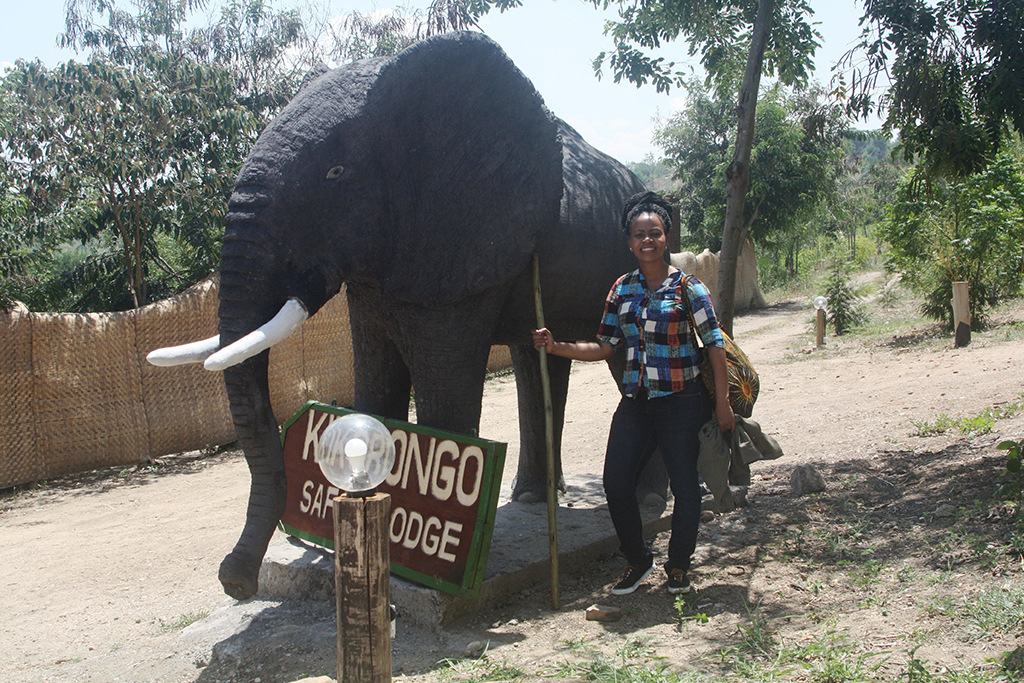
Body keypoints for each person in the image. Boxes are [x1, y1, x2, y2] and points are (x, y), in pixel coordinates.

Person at [532, 191, 734, 596]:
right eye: (639, 234)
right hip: (636, 402)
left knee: (685, 485)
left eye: (655, 233)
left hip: (682, 400)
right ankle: (638, 559)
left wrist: (722, 403)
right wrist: (555, 346)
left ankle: (678, 565)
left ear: (667, 238)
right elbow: (605, 346)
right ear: (629, 241)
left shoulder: (689, 289)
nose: (647, 240)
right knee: (615, 481)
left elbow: (715, 345)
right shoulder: (621, 289)